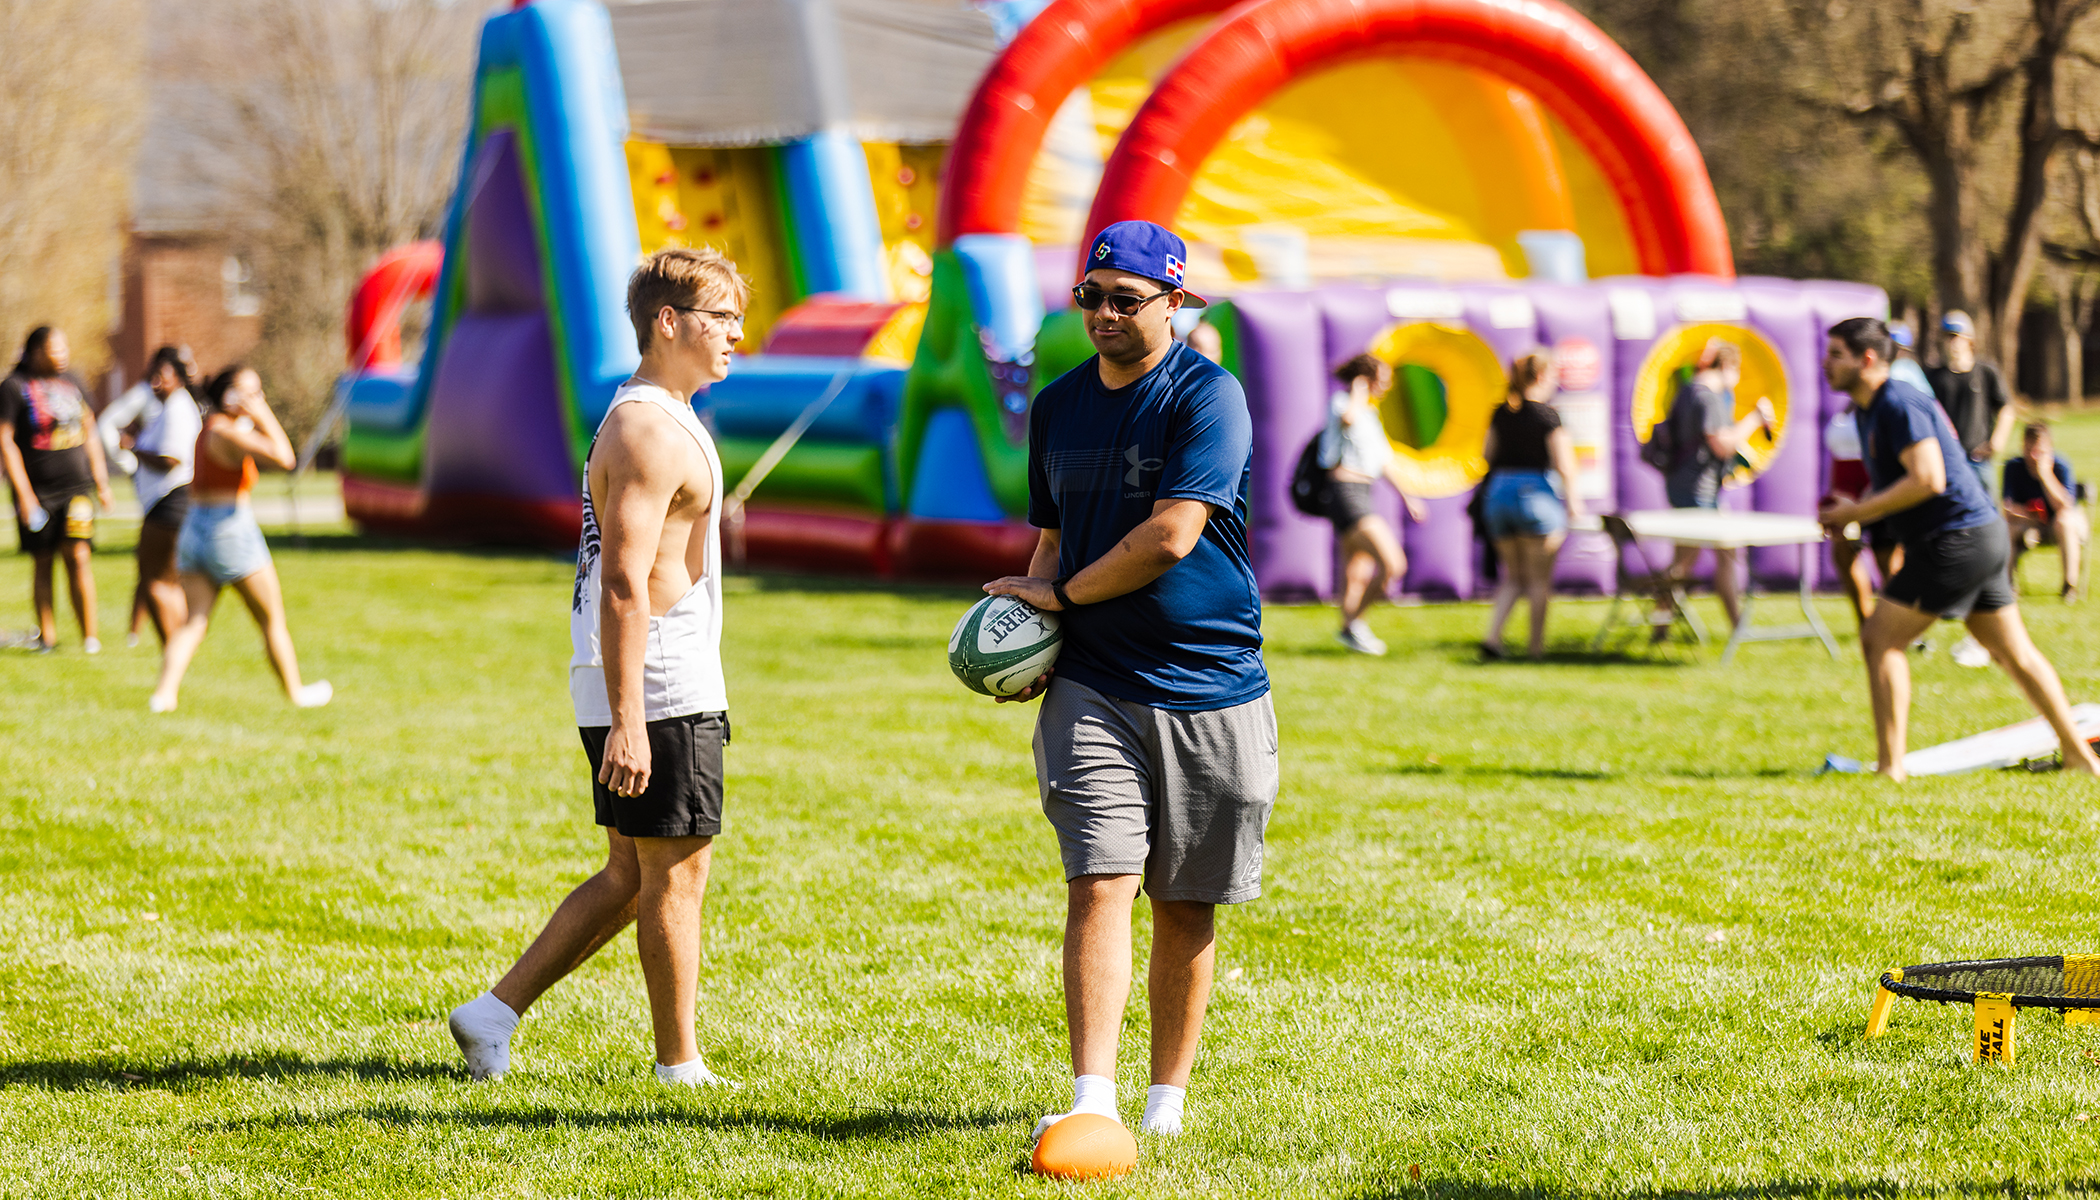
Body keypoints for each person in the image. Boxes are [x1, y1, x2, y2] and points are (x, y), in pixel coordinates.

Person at [982, 220, 1275, 1140]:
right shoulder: (1060, 406)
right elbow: (1054, 539)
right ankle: (1091, 1100)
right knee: (1101, 881)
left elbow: (1172, 535)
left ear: (1174, 302)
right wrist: (1034, 636)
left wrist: (1058, 594)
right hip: (1095, 681)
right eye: (1090, 296)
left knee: (1186, 900)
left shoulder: (1208, 397)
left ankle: (1166, 1104)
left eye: (1126, 299)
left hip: (1211, 683)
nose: (1103, 314)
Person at [449, 247, 747, 1088]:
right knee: (675, 878)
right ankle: (678, 1065)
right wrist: (628, 720)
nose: (734, 335)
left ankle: (494, 1013)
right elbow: (622, 581)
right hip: (654, 684)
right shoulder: (650, 427)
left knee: (629, 876)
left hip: (635, 678)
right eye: (720, 318)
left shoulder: (653, 416)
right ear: (668, 322)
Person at [1818, 317, 2099, 781]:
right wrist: (1858, 505)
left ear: (1867, 359)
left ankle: (1890, 768)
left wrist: (1857, 515)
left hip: (1954, 541)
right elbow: (1903, 478)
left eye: (1835, 355)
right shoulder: (1869, 409)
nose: (1825, 364)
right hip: (1978, 536)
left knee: (1879, 638)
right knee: (2015, 654)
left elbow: (1929, 478)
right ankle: (2080, 757)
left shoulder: (1896, 403)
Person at [147, 366, 331, 713]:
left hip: (194, 528)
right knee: (271, 619)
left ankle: (164, 694)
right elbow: (285, 458)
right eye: (250, 392)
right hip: (229, 529)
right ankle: (295, 693)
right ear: (229, 395)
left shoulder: (209, 428)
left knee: (194, 620)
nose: (257, 399)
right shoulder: (228, 433)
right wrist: (263, 415)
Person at [0, 327, 114, 652]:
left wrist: (101, 480)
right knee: (43, 559)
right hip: (37, 492)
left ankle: (90, 638)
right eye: (55, 347)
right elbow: (6, 442)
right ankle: (47, 637)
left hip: (76, 489)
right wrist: (24, 496)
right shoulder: (13, 387)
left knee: (78, 555)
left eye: (64, 346)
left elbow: (90, 430)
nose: (63, 353)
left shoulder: (74, 381)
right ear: (37, 350)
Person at [1654, 339, 1775, 630]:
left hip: (1691, 485)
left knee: (1704, 557)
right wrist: (1755, 419)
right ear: (1727, 366)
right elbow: (1722, 444)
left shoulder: (1689, 390)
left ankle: (1666, 624)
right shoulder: (1706, 396)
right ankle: (1735, 627)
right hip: (1698, 489)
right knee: (1698, 559)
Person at [1320, 354, 1426, 655]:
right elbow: (1347, 419)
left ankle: (1350, 629)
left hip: (1363, 489)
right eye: (1383, 377)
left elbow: (1383, 461)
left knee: (1357, 567)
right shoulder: (1344, 402)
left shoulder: (1371, 413)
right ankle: (1353, 624)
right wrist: (1357, 389)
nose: (1388, 384)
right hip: (1345, 490)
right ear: (1365, 379)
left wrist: (1407, 497)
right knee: (1393, 563)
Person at [1480, 350, 1582, 661]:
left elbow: (1487, 454)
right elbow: (1565, 463)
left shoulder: (1500, 412)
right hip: (1535, 495)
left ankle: (1492, 638)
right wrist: (1573, 502)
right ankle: (1535, 649)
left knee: (1513, 576)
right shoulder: (1547, 416)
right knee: (1539, 580)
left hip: (1498, 496)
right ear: (1541, 377)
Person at [127, 347, 203, 647]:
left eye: (163, 376)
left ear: (179, 378)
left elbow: (172, 458)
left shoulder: (178, 410)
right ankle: (178, 649)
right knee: (168, 582)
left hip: (169, 502)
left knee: (155, 582)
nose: (155, 383)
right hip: (169, 502)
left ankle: (174, 650)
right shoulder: (171, 407)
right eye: (153, 376)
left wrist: (134, 448)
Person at [1823, 404, 1902, 627]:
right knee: (1843, 555)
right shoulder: (1846, 408)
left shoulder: (1888, 400)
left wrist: (1872, 495)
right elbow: (1837, 457)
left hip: (1876, 490)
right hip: (1845, 494)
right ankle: (1865, 623)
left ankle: (1901, 626)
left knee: (1887, 561)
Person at [1925, 310, 2013, 497]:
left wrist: (1996, 442)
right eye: (1947, 338)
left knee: (1988, 512)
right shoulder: (1933, 376)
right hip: (1945, 458)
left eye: (1957, 337)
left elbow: (2005, 408)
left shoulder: (1985, 371)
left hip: (1978, 458)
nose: (1952, 343)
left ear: (1969, 340)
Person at [2001, 421, 2084, 602]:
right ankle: (2006, 587)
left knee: (2065, 522)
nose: (2032, 456)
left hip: (2059, 524)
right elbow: (2007, 509)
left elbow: (2065, 506)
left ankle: (2069, 586)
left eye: (2038, 450)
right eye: (2028, 449)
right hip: (2029, 524)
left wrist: (2045, 474)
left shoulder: (2061, 465)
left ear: (2049, 448)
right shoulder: (2014, 467)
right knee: (2008, 528)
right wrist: (2029, 516)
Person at [1886, 320, 1933, 394]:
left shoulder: (1909, 368)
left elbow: (1927, 396)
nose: (1898, 353)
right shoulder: (1879, 367)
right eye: (1895, 348)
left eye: (1901, 349)